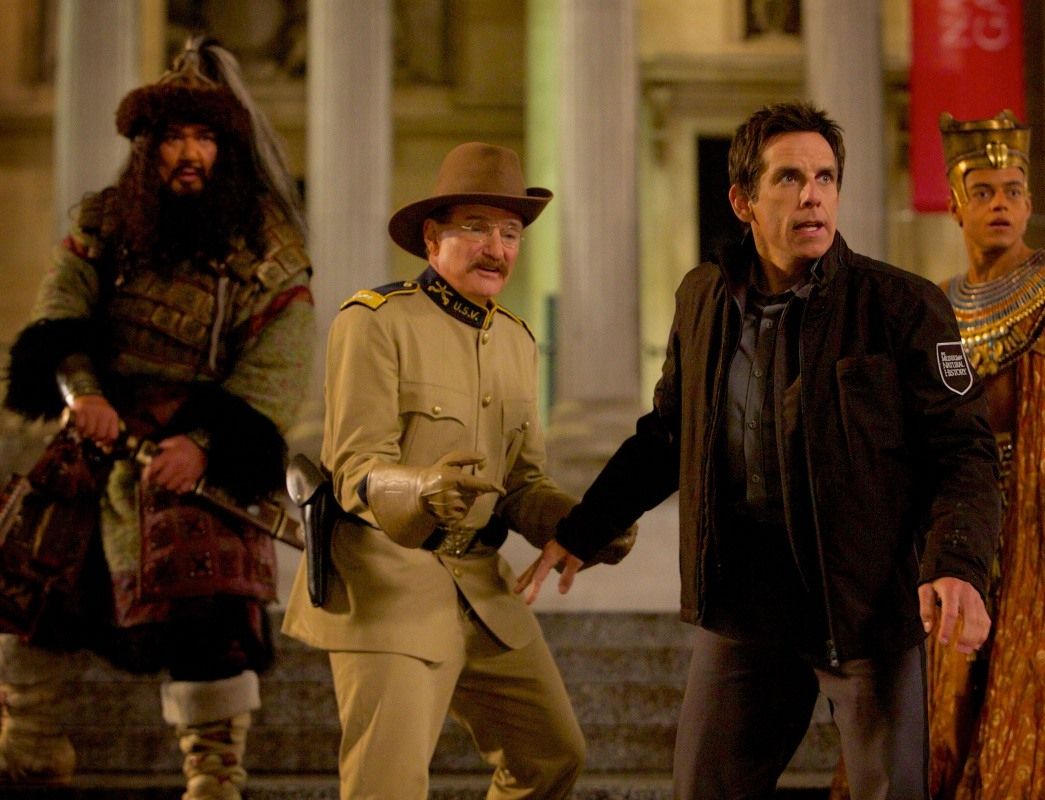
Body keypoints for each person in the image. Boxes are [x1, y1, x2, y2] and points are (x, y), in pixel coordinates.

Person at [516, 101, 1002, 800]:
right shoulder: (703, 297)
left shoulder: (900, 304)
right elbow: (668, 433)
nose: (812, 196)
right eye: (789, 178)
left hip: (862, 606)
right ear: (742, 201)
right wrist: (583, 529)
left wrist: (956, 563)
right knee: (703, 787)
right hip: (745, 606)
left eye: (825, 178)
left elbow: (963, 451)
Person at [1, 38, 313, 799]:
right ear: (148, 147)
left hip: (197, 459)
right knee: (32, 589)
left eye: (205, 138)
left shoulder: (267, 247)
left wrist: (204, 446)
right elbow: (59, 308)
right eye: (174, 137)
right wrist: (82, 393)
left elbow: (278, 364)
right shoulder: (105, 223)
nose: (189, 154)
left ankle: (214, 777)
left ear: (227, 149)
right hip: (95, 440)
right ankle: (28, 753)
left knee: (213, 617)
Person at [281, 141, 631, 800]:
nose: (496, 248)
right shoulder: (374, 321)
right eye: (475, 228)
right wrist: (420, 489)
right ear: (431, 238)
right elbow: (354, 467)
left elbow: (522, 485)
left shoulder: (516, 340)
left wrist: (587, 523)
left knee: (551, 757)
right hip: (386, 581)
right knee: (386, 789)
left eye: (510, 232)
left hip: (482, 587)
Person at [923, 110, 1045, 799]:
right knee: (954, 685)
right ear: (954, 206)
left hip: (1034, 513)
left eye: (1012, 191)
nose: (999, 203)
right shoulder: (937, 304)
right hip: (959, 514)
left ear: (1028, 204)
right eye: (983, 192)